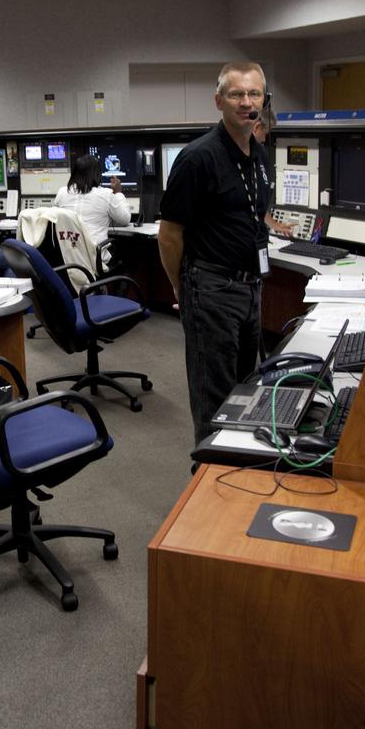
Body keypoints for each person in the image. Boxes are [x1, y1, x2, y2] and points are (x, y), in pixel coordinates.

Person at [158, 61, 274, 445]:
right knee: (215, 399)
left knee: (246, 390)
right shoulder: (198, 158)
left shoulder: (257, 153)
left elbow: (254, 213)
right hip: (211, 289)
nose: (246, 102)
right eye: (237, 94)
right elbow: (170, 234)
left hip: (250, 288)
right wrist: (183, 288)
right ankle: (209, 481)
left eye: (253, 93)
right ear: (219, 100)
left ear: (263, 99)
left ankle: (236, 475)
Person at [52, 154, 132, 267]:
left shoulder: (62, 193)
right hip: (94, 259)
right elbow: (124, 219)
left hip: (67, 259)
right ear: (97, 174)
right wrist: (118, 193)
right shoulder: (105, 194)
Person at [254, 105, 297, 239]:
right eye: (265, 133)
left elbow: (257, 204)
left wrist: (275, 225)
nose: (264, 139)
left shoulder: (259, 154)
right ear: (256, 127)